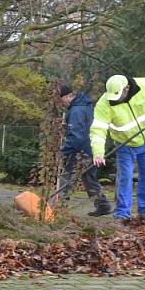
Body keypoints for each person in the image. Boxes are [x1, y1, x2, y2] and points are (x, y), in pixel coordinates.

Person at [90, 75, 145, 222]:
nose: (115, 100)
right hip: (124, 144)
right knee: (125, 178)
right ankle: (122, 215)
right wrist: (98, 152)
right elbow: (98, 129)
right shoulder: (104, 103)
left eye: (119, 96)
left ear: (126, 89)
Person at [56, 84, 112, 216]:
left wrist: (62, 151)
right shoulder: (85, 105)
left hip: (81, 150)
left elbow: (76, 136)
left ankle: (59, 205)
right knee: (89, 178)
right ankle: (102, 205)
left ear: (70, 96)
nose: (61, 103)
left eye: (61, 99)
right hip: (91, 147)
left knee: (66, 176)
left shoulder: (76, 111)